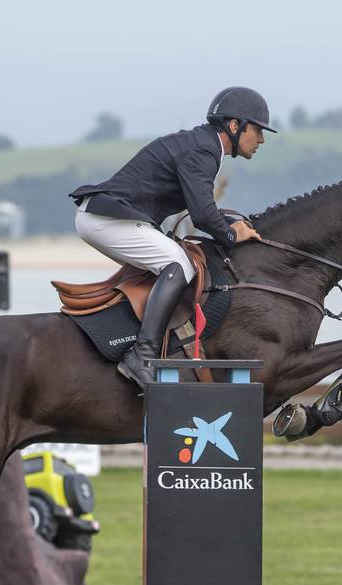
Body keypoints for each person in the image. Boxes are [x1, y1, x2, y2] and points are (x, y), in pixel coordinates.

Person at [69, 87, 273, 388]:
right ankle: (141, 354)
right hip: (106, 220)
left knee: (174, 262)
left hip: (109, 218)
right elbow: (203, 214)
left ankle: (146, 339)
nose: (262, 139)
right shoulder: (204, 150)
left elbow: (196, 211)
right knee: (180, 265)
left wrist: (229, 223)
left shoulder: (201, 144)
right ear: (234, 125)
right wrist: (231, 233)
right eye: (257, 129)